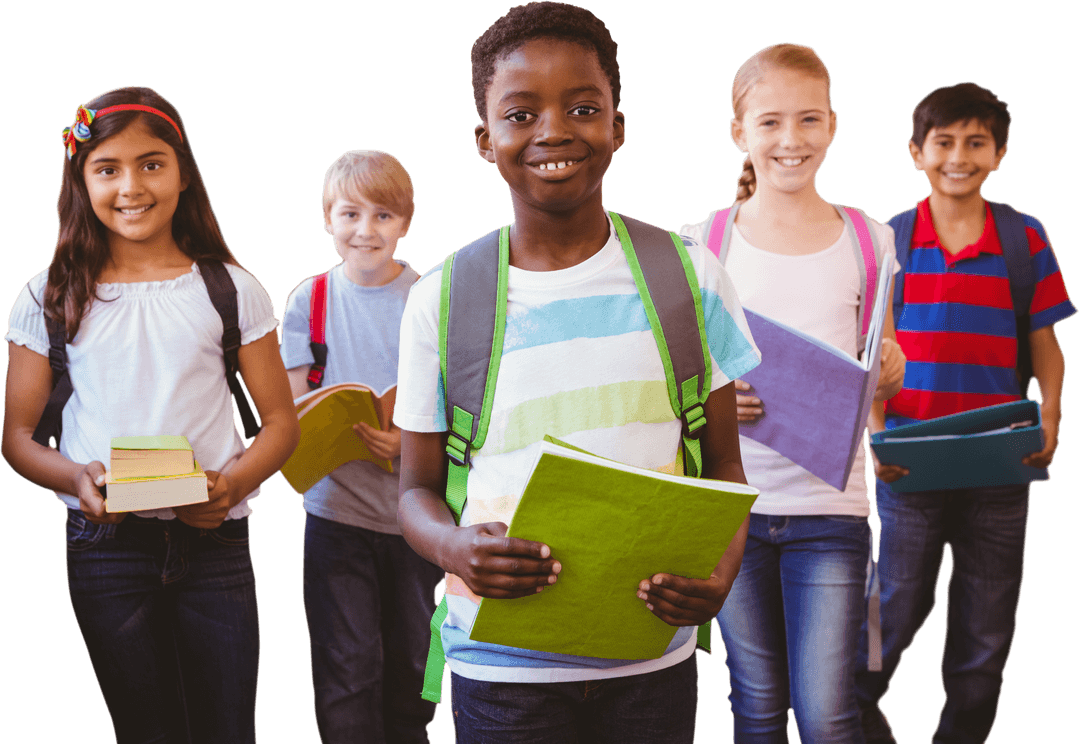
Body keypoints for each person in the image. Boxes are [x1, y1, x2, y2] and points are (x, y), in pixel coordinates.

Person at [393, 3, 762, 742]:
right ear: (484, 140)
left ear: (618, 129)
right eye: (521, 113)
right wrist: (451, 546)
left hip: (650, 665)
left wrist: (720, 573)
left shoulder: (690, 277)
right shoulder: (442, 296)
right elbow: (413, 491)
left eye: (583, 108)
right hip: (502, 675)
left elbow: (723, 461)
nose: (554, 131)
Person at [1, 86, 300, 744]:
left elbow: (280, 424)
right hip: (106, 550)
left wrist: (233, 486)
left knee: (228, 729)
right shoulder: (49, 296)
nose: (131, 186)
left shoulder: (230, 288)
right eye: (107, 168)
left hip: (215, 544)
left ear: (184, 171)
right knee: (145, 730)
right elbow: (18, 437)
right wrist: (78, 479)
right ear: (81, 180)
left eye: (151, 163)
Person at [680, 43, 906, 743]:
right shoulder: (705, 244)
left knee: (828, 714)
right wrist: (716, 395)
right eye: (771, 122)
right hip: (735, 512)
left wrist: (891, 370)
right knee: (755, 706)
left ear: (833, 126)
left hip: (831, 515)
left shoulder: (868, 241)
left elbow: (880, 373)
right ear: (739, 133)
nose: (791, 140)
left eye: (808, 121)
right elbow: (678, 385)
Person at [854, 82, 1075, 744]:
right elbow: (872, 356)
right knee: (887, 617)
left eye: (976, 142)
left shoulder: (1024, 238)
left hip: (999, 468)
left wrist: (1053, 419)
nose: (959, 156)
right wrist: (875, 437)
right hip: (909, 469)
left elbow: (1047, 350)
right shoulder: (890, 240)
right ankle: (851, 715)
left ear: (999, 154)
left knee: (984, 638)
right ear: (917, 153)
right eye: (943, 142)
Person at [279, 150, 443, 744]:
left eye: (382, 215)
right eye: (350, 214)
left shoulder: (430, 299)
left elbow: (461, 412)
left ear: (404, 224)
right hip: (335, 519)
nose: (365, 230)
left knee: (414, 667)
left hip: (414, 518)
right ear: (328, 219)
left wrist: (406, 440)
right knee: (345, 670)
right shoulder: (308, 301)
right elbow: (290, 413)